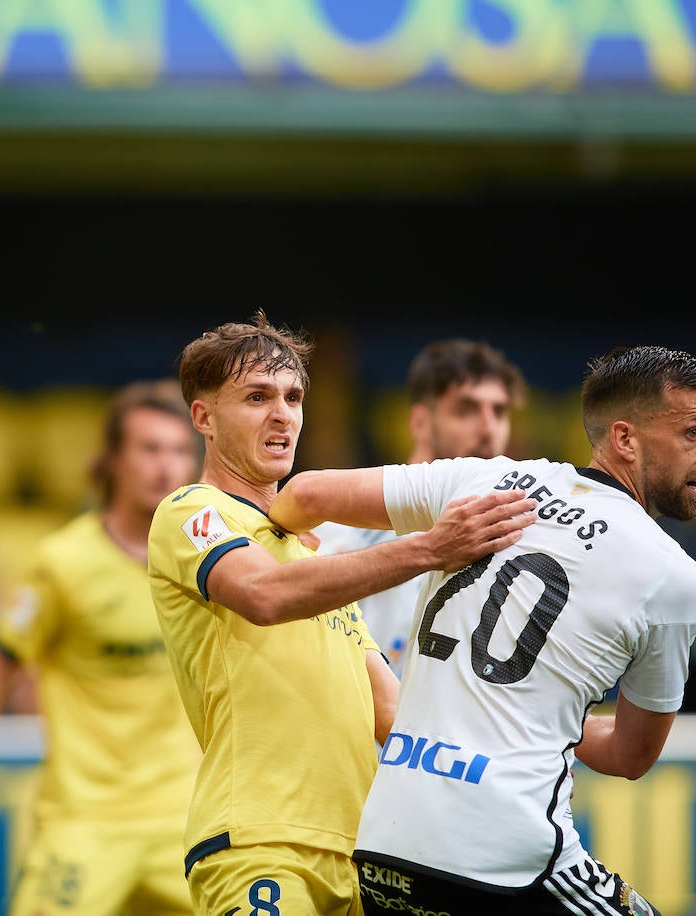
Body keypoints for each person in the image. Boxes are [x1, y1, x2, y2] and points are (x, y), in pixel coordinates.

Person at [269, 344, 696, 916]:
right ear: (625, 439)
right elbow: (630, 757)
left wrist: (281, 550)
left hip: (386, 843)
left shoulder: (484, 479)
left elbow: (303, 495)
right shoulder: (673, 576)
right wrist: (539, 714)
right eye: (695, 433)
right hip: (506, 856)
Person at [145, 311, 537, 916]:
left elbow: (392, 712)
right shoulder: (189, 511)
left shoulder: (315, 556)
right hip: (261, 844)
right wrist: (431, 547)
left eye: (293, 397)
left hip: (364, 856)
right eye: (256, 398)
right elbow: (265, 596)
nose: (283, 415)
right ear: (203, 417)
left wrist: (552, 736)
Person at [0, 379, 203, 916]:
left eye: (179, 451)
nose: (166, 466)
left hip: (187, 821)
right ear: (112, 461)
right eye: (149, 449)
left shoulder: (212, 562)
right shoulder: (63, 563)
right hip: (85, 823)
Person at [313, 338, 527, 676]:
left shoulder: (518, 542)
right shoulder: (344, 530)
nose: (488, 429)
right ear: (419, 422)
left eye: (499, 411)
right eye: (467, 409)